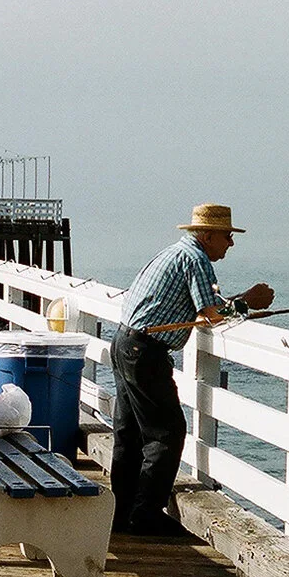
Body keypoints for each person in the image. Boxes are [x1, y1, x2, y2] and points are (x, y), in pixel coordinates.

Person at [110, 203, 274, 535]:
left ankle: (119, 513)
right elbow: (210, 317)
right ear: (209, 235)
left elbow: (204, 311)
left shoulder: (176, 253)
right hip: (145, 352)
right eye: (227, 236)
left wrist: (238, 301)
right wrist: (248, 303)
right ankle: (145, 517)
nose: (230, 243)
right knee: (167, 433)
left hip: (125, 342)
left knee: (129, 434)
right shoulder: (196, 259)